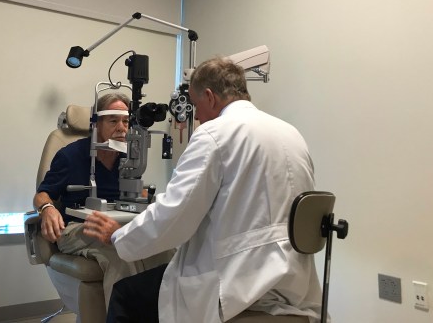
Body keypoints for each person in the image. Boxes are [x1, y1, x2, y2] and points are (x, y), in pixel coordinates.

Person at [83, 57, 323, 323]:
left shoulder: (214, 134)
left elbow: (174, 214)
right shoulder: (291, 134)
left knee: (125, 294)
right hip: (293, 283)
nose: (196, 117)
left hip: (236, 282)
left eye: (196, 106)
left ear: (209, 96)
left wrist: (118, 236)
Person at [34, 92, 165, 310]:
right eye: (113, 121)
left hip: (117, 226)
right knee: (119, 256)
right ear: (96, 124)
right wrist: (47, 208)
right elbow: (42, 194)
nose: (121, 128)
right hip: (78, 228)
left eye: (125, 121)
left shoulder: (128, 158)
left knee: (164, 252)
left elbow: (136, 195)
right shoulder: (71, 155)